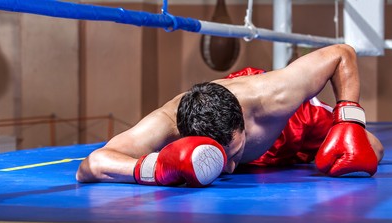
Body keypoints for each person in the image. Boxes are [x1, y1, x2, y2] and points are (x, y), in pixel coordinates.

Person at [76, 44, 384, 187]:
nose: (232, 168)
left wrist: (349, 120)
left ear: (243, 122)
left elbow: (342, 53)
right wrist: (153, 170)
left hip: (290, 126)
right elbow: (91, 165)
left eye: (234, 152)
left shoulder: (276, 94)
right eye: (222, 157)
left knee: (372, 149)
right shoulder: (168, 122)